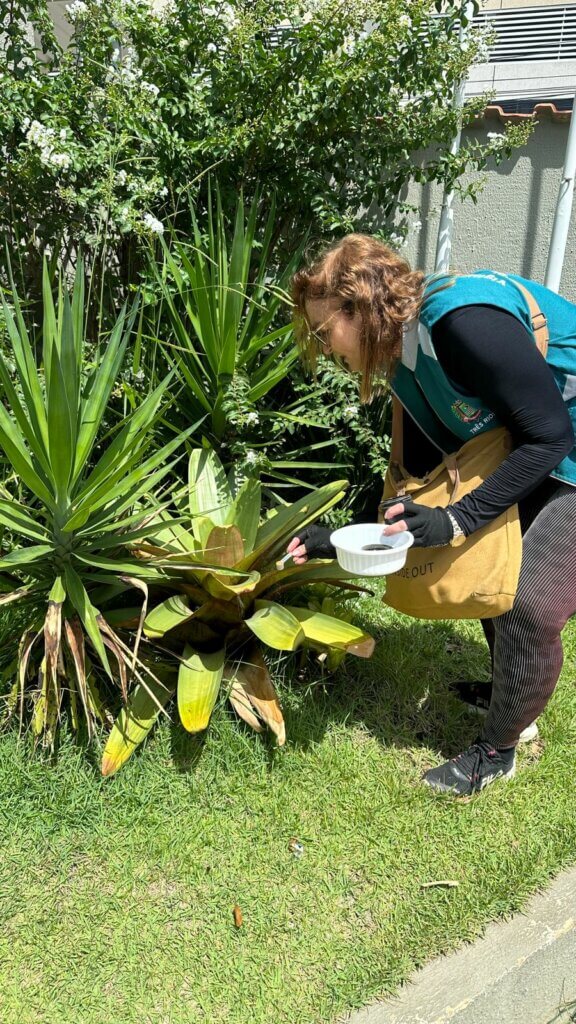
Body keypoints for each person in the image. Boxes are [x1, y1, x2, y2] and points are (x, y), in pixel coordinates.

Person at [286, 234, 576, 797]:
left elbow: (548, 436)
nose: (324, 350)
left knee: (531, 599)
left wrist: (457, 521)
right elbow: (425, 483)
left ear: (360, 304)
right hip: (541, 444)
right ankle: (512, 700)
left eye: (325, 333)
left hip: (561, 440)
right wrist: (337, 540)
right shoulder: (401, 358)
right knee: (495, 570)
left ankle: (497, 752)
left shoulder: (461, 322)